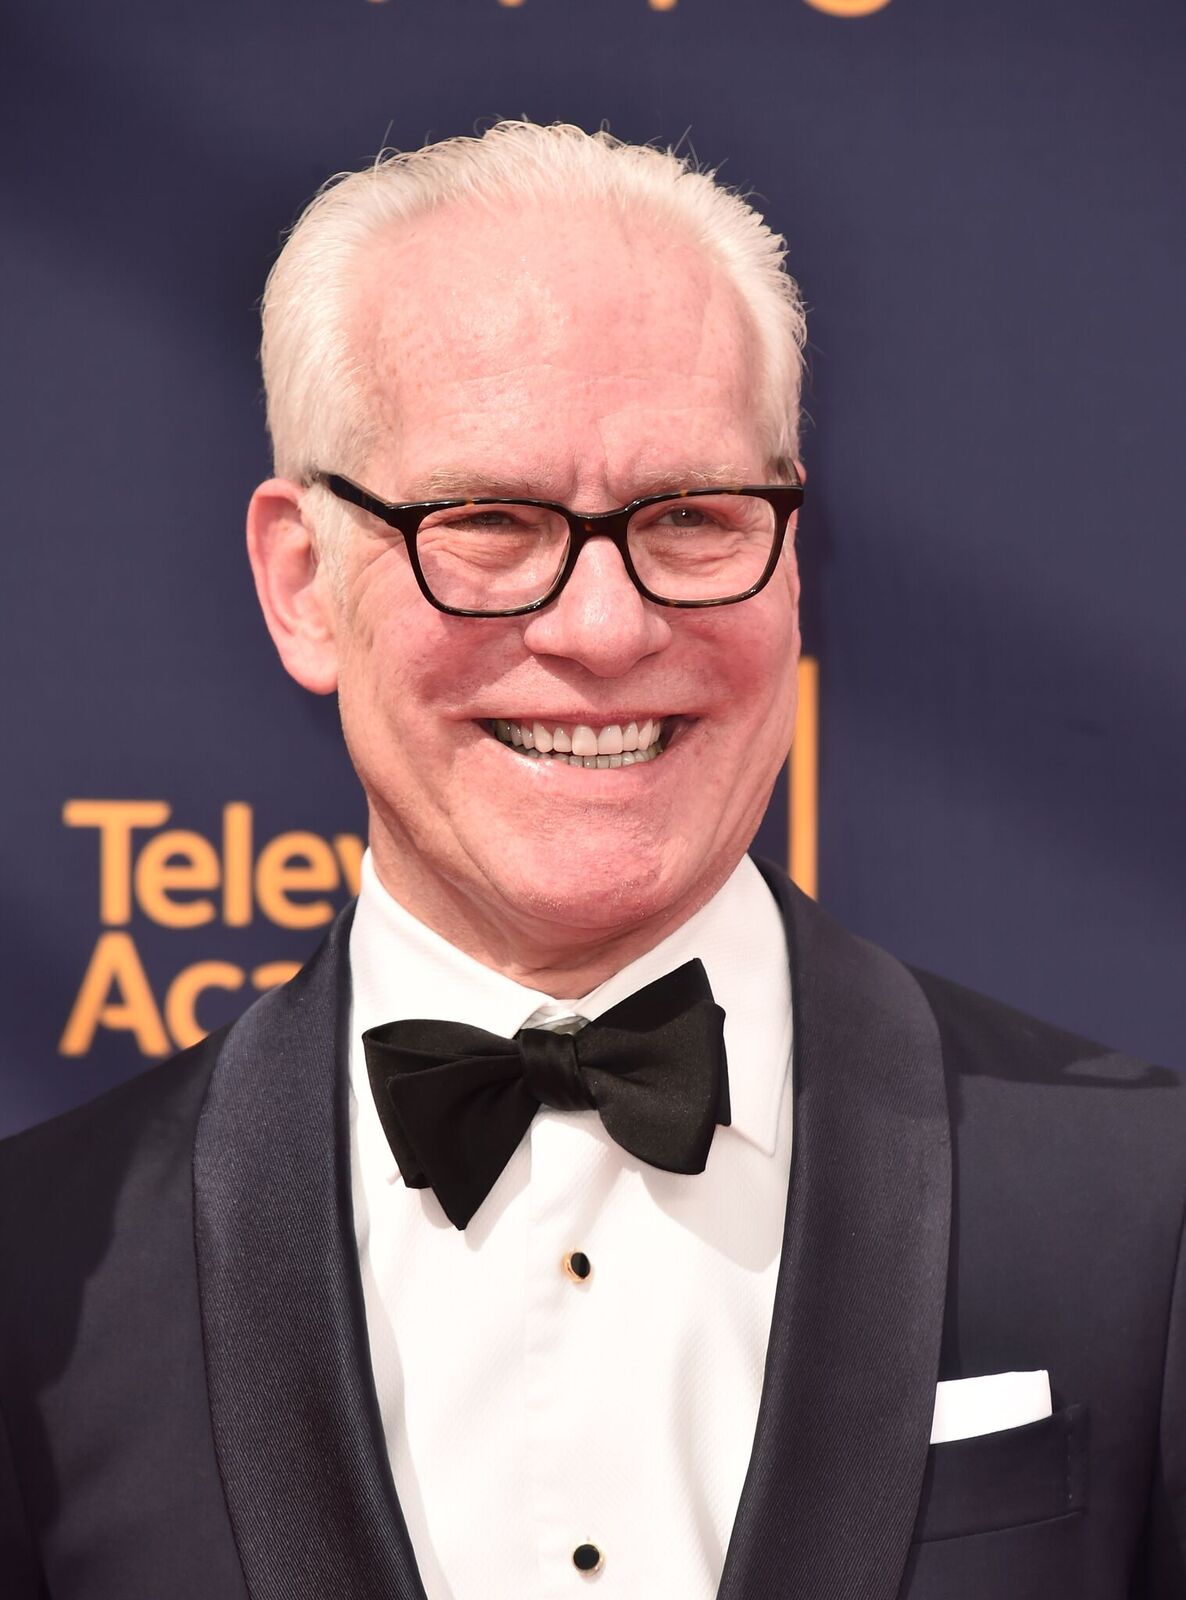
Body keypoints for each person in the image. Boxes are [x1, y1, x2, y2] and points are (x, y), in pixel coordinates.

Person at [0, 122, 1182, 1600]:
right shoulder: (35, 1275)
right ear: (304, 583)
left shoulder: (1148, 1208)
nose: (607, 630)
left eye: (690, 517)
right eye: (488, 523)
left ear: (792, 556)